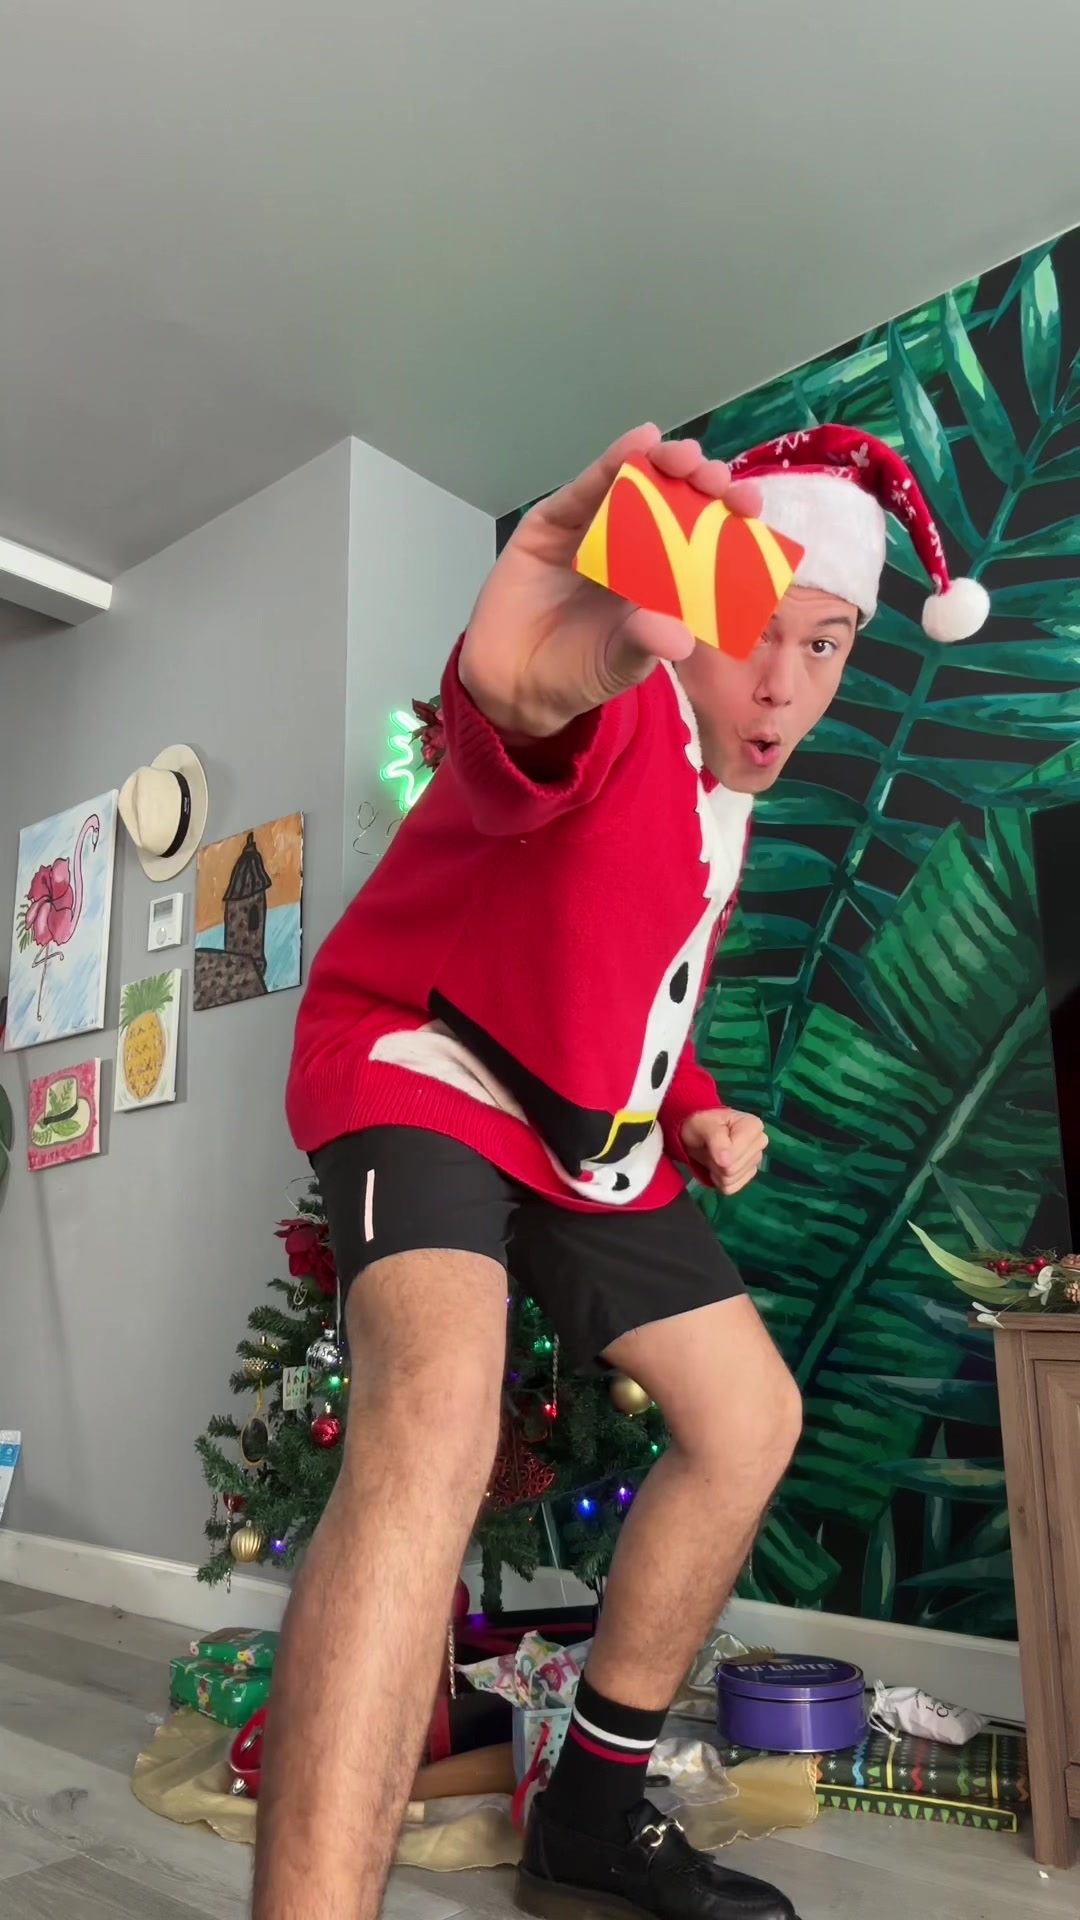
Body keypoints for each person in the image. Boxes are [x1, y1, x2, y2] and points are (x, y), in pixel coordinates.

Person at [256, 422, 989, 1920]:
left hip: (590, 1134)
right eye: (754, 635)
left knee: (751, 1419)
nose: (784, 686)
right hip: (426, 1062)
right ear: (686, 623)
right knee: (436, 1415)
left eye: (826, 646)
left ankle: (590, 1816)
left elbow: (629, 978)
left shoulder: (733, 798)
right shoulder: (621, 712)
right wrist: (508, 699)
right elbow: (524, 741)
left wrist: (697, 1107)